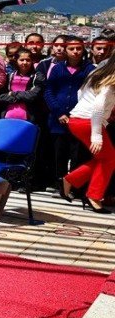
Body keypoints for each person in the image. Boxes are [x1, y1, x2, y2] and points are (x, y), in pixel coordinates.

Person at [60, 60, 115, 213]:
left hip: (78, 120)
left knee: (103, 159)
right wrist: (96, 135)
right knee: (109, 159)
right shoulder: (110, 79)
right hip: (88, 122)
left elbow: (80, 92)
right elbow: (98, 106)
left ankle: (69, 180)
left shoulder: (98, 72)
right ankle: (93, 196)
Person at [44, 36, 94, 189]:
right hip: (58, 120)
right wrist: (59, 112)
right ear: (65, 50)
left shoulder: (90, 69)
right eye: (71, 49)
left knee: (77, 153)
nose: (75, 52)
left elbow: (92, 93)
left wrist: (78, 115)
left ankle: (73, 186)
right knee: (59, 153)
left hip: (79, 119)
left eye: (79, 48)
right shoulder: (57, 68)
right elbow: (49, 91)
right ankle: (59, 183)